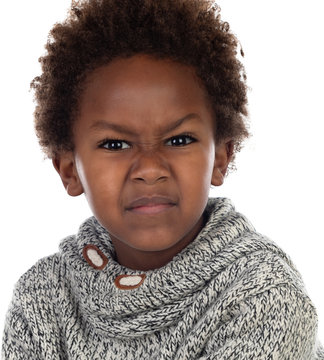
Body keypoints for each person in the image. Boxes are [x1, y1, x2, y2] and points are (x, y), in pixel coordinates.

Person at [2, 0, 323, 358]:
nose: (150, 168)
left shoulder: (265, 295)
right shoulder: (43, 296)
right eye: (115, 143)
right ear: (69, 169)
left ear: (221, 156)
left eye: (179, 140)